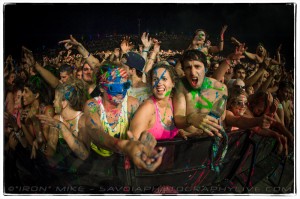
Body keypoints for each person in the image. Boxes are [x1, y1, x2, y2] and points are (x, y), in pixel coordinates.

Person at [84, 61, 164, 171]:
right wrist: (123, 145)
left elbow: (142, 130)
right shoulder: (93, 105)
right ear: (101, 88)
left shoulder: (132, 104)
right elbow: (94, 130)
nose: (121, 91)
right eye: (114, 86)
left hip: (123, 165)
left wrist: (145, 142)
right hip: (98, 164)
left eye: (125, 85)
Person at [173, 50, 227, 138]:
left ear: (206, 68)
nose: (193, 73)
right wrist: (191, 118)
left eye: (197, 66)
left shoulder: (221, 88)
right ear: (184, 71)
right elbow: (178, 119)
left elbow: (223, 118)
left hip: (211, 140)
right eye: (188, 67)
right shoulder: (180, 86)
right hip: (188, 142)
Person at [129, 63, 179, 140]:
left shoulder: (173, 103)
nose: (159, 83)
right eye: (155, 79)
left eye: (164, 79)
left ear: (173, 83)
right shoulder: (147, 108)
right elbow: (133, 144)